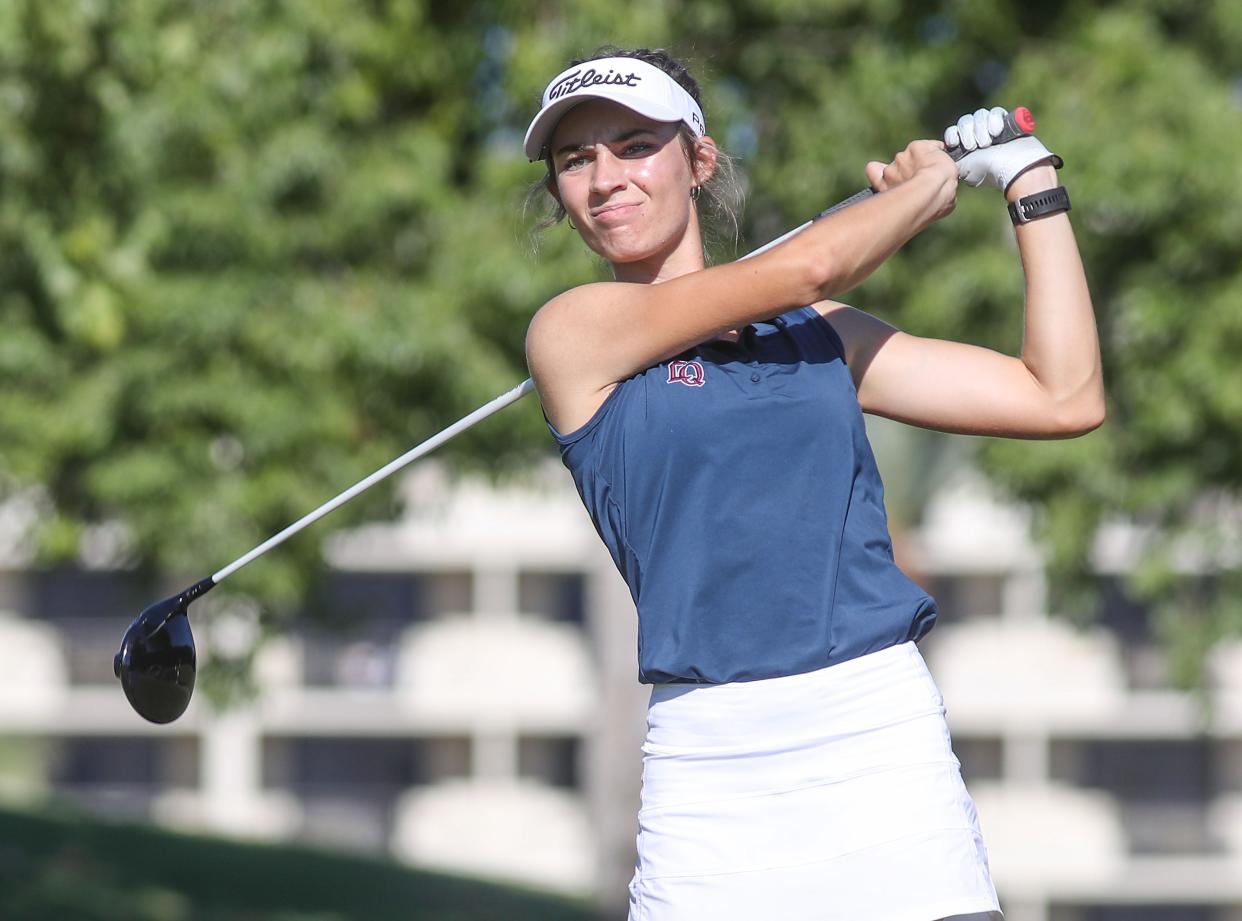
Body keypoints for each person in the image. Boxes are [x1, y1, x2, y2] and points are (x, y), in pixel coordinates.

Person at [523, 47, 1102, 921]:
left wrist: (1028, 180)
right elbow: (807, 266)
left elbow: (1061, 395)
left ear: (699, 160)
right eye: (577, 159)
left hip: (879, 744)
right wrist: (923, 189)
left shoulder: (817, 335)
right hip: (711, 777)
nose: (606, 177)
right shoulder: (572, 333)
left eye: (634, 145)